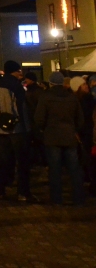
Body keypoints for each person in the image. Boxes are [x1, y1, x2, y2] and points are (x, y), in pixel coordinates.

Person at [34, 72, 84, 206]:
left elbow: (39, 119)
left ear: (50, 83)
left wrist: (44, 129)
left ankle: (57, 198)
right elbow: (80, 119)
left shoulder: (45, 97)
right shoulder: (71, 97)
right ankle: (78, 197)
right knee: (74, 168)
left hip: (52, 136)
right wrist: (74, 129)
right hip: (69, 136)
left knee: (55, 169)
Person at [0, 60, 36, 202]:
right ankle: (23, 192)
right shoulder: (16, 86)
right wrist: (27, 128)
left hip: (0, 126)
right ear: (14, 71)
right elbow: (21, 108)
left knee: (3, 161)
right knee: (22, 162)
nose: (20, 74)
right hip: (16, 128)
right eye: (18, 71)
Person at [70, 76, 95, 194]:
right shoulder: (79, 100)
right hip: (84, 132)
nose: (87, 86)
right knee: (85, 156)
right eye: (84, 85)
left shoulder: (89, 99)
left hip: (88, 132)